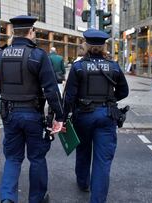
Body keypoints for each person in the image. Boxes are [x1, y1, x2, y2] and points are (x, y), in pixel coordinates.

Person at [0, 15, 64, 203]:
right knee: (37, 158)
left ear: (13, 32)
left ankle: (7, 199)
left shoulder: (1, 55)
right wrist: (60, 115)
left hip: (9, 114)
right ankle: (37, 199)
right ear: (31, 31)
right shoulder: (37, 55)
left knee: (13, 158)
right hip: (33, 114)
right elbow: (51, 89)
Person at [63, 29, 129, 203]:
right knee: (102, 160)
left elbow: (69, 96)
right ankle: (97, 199)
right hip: (106, 115)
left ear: (86, 45)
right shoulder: (114, 66)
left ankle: (83, 182)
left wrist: (61, 118)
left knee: (83, 150)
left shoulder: (78, 67)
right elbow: (124, 91)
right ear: (104, 46)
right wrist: (110, 100)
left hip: (82, 116)